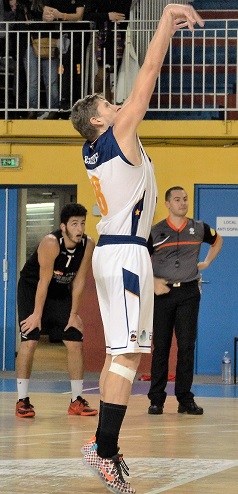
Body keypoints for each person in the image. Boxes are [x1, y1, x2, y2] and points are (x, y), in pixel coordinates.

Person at [71, 5, 204, 494]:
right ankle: (105, 452)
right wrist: (166, 20)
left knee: (115, 356)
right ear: (101, 123)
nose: (117, 104)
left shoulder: (97, 146)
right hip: (125, 254)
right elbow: (148, 73)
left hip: (115, 250)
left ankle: (101, 447)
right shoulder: (118, 135)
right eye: (108, 105)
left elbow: (134, 91)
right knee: (128, 359)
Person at [15, 203, 98, 418]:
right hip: (33, 288)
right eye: (74, 224)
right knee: (30, 339)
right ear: (63, 227)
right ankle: (22, 400)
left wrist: (73, 313)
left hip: (60, 290)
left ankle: (76, 401)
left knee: (74, 339)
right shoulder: (51, 243)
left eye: (82, 223)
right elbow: (43, 281)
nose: (79, 228)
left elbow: (79, 280)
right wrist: (36, 314)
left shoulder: (88, 244)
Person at [147, 186, 223, 417]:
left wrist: (207, 262)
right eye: (177, 199)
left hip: (189, 292)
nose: (182, 203)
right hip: (162, 294)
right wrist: (152, 281)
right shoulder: (155, 231)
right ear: (167, 204)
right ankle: (156, 400)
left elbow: (217, 240)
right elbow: (137, 258)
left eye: (185, 199)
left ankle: (184, 399)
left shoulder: (199, 228)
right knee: (161, 347)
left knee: (187, 346)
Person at [43, 0, 91, 117]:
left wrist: (61, 16)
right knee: (63, 72)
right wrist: (48, 16)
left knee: (75, 71)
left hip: (79, 38)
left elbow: (79, 16)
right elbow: (46, 13)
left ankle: (75, 105)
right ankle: (63, 105)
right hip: (61, 38)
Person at [14, 0, 59, 119]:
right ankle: (33, 110)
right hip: (32, 42)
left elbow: (56, 17)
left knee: (49, 80)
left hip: (48, 41)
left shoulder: (49, 4)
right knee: (35, 80)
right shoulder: (24, 4)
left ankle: (51, 110)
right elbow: (20, 22)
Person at [84, 0, 132, 102]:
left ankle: (106, 101)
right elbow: (88, 14)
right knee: (103, 71)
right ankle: (94, 101)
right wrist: (107, 16)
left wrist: (111, 17)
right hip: (102, 36)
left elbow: (124, 14)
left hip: (120, 36)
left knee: (115, 70)